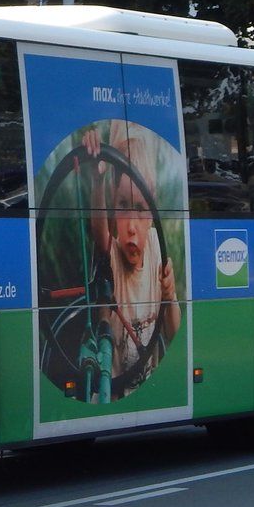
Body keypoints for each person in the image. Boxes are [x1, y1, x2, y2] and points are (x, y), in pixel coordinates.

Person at [82, 126, 180, 394]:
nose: (132, 226)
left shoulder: (156, 247)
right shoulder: (111, 254)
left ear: (153, 210)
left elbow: (174, 334)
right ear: (113, 204)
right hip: (112, 396)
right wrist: (98, 180)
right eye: (123, 205)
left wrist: (170, 295)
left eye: (140, 208)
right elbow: (99, 232)